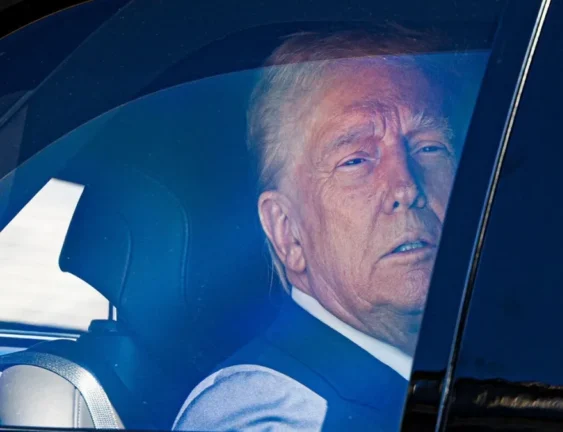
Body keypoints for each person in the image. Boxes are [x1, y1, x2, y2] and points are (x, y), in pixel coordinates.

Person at [174, 28, 462, 431]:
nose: (406, 188)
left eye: (429, 147)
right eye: (355, 160)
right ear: (287, 231)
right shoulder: (270, 414)